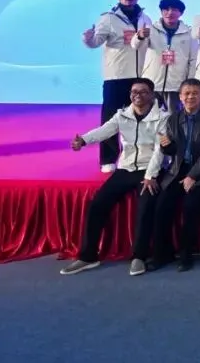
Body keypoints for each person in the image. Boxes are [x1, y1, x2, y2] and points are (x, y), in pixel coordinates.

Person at [59, 78, 167, 275]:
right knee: (97, 204)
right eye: (134, 92)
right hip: (125, 169)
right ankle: (88, 257)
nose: (137, 95)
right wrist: (83, 140)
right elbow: (104, 131)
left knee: (145, 208)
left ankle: (139, 257)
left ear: (152, 95)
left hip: (149, 170)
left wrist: (151, 175)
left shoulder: (163, 117)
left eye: (143, 92)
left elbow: (160, 150)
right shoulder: (122, 115)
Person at [139, 78, 200, 272]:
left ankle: (186, 255)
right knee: (161, 206)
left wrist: (193, 176)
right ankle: (162, 254)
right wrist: (166, 146)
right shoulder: (174, 118)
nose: (190, 97)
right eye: (186, 93)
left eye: (194, 93)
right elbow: (171, 151)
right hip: (176, 169)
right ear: (180, 97)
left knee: (190, 207)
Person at [82, 0, 152, 172]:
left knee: (140, 117)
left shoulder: (145, 18)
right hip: (116, 76)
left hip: (140, 76)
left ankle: (138, 156)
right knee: (110, 118)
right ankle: (108, 159)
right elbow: (95, 42)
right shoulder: (108, 18)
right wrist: (88, 39)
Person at [132, 0, 195, 112]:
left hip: (176, 85)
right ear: (161, 12)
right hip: (152, 83)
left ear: (181, 13)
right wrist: (139, 36)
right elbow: (135, 46)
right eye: (166, 9)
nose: (170, 13)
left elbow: (193, 59)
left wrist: (189, 82)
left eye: (174, 10)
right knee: (148, 116)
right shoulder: (150, 29)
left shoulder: (189, 32)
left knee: (173, 117)